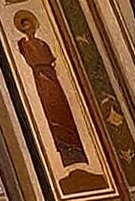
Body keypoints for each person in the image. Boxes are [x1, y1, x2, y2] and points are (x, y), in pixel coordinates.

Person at [11, 12, 86, 165]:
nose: (29, 29)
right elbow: (32, 59)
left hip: (51, 77)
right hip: (41, 78)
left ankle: (74, 146)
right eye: (25, 27)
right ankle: (63, 146)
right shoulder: (24, 45)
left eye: (30, 26)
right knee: (51, 109)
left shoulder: (42, 43)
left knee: (62, 109)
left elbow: (51, 59)